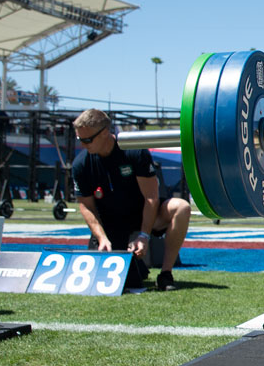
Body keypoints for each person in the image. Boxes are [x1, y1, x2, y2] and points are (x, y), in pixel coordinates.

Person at [71, 109, 191, 291]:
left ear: (104, 132)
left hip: (141, 214)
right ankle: (137, 266)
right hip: (110, 222)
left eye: (87, 140)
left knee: (181, 207)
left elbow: (151, 197)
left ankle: (166, 274)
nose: (83, 145)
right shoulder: (81, 164)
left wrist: (144, 236)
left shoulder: (133, 151)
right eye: (80, 139)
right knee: (127, 280)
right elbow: (86, 206)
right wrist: (101, 237)